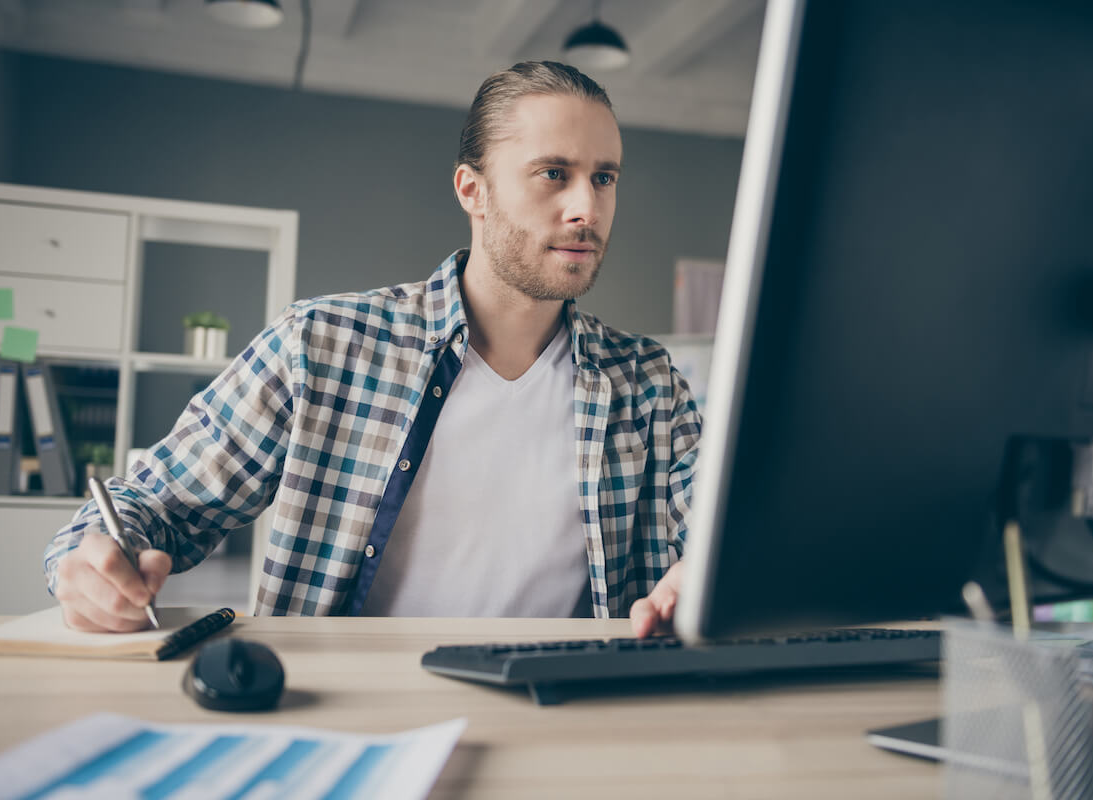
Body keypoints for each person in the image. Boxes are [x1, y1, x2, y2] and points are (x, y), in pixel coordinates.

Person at [44, 60, 699, 638]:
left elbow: (729, 536)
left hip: (565, 718)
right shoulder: (319, 345)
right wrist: (92, 561)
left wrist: (699, 575)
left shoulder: (647, 383)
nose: (586, 205)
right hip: (351, 710)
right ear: (472, 190)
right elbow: (149, 506)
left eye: (604, 177)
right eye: (554, 173)